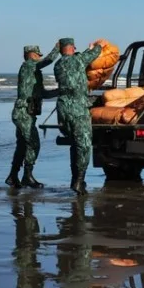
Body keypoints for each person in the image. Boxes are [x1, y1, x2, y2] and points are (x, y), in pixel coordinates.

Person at [53, 38, 104, 195]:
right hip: (77, 109)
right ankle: (78, 181)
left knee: (74, 144)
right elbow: (95, 52)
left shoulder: (58, 65)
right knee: (84, 145)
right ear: (72, 48)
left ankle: (75, 178)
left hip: (62, 109)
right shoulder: (78, 60)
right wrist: (97, 46)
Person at [7, 42, 60, 189]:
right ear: (31, 55)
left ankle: (13, 176)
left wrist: (60, 90)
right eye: (37, 55)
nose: (38, 57)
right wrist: (57, 48)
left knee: (23, 146)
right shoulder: (28, 66)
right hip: (23, 112)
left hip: (27, 114)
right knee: (33, 143)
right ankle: (27, 177)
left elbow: (43, 94)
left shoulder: (35, 73)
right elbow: (48, 60)